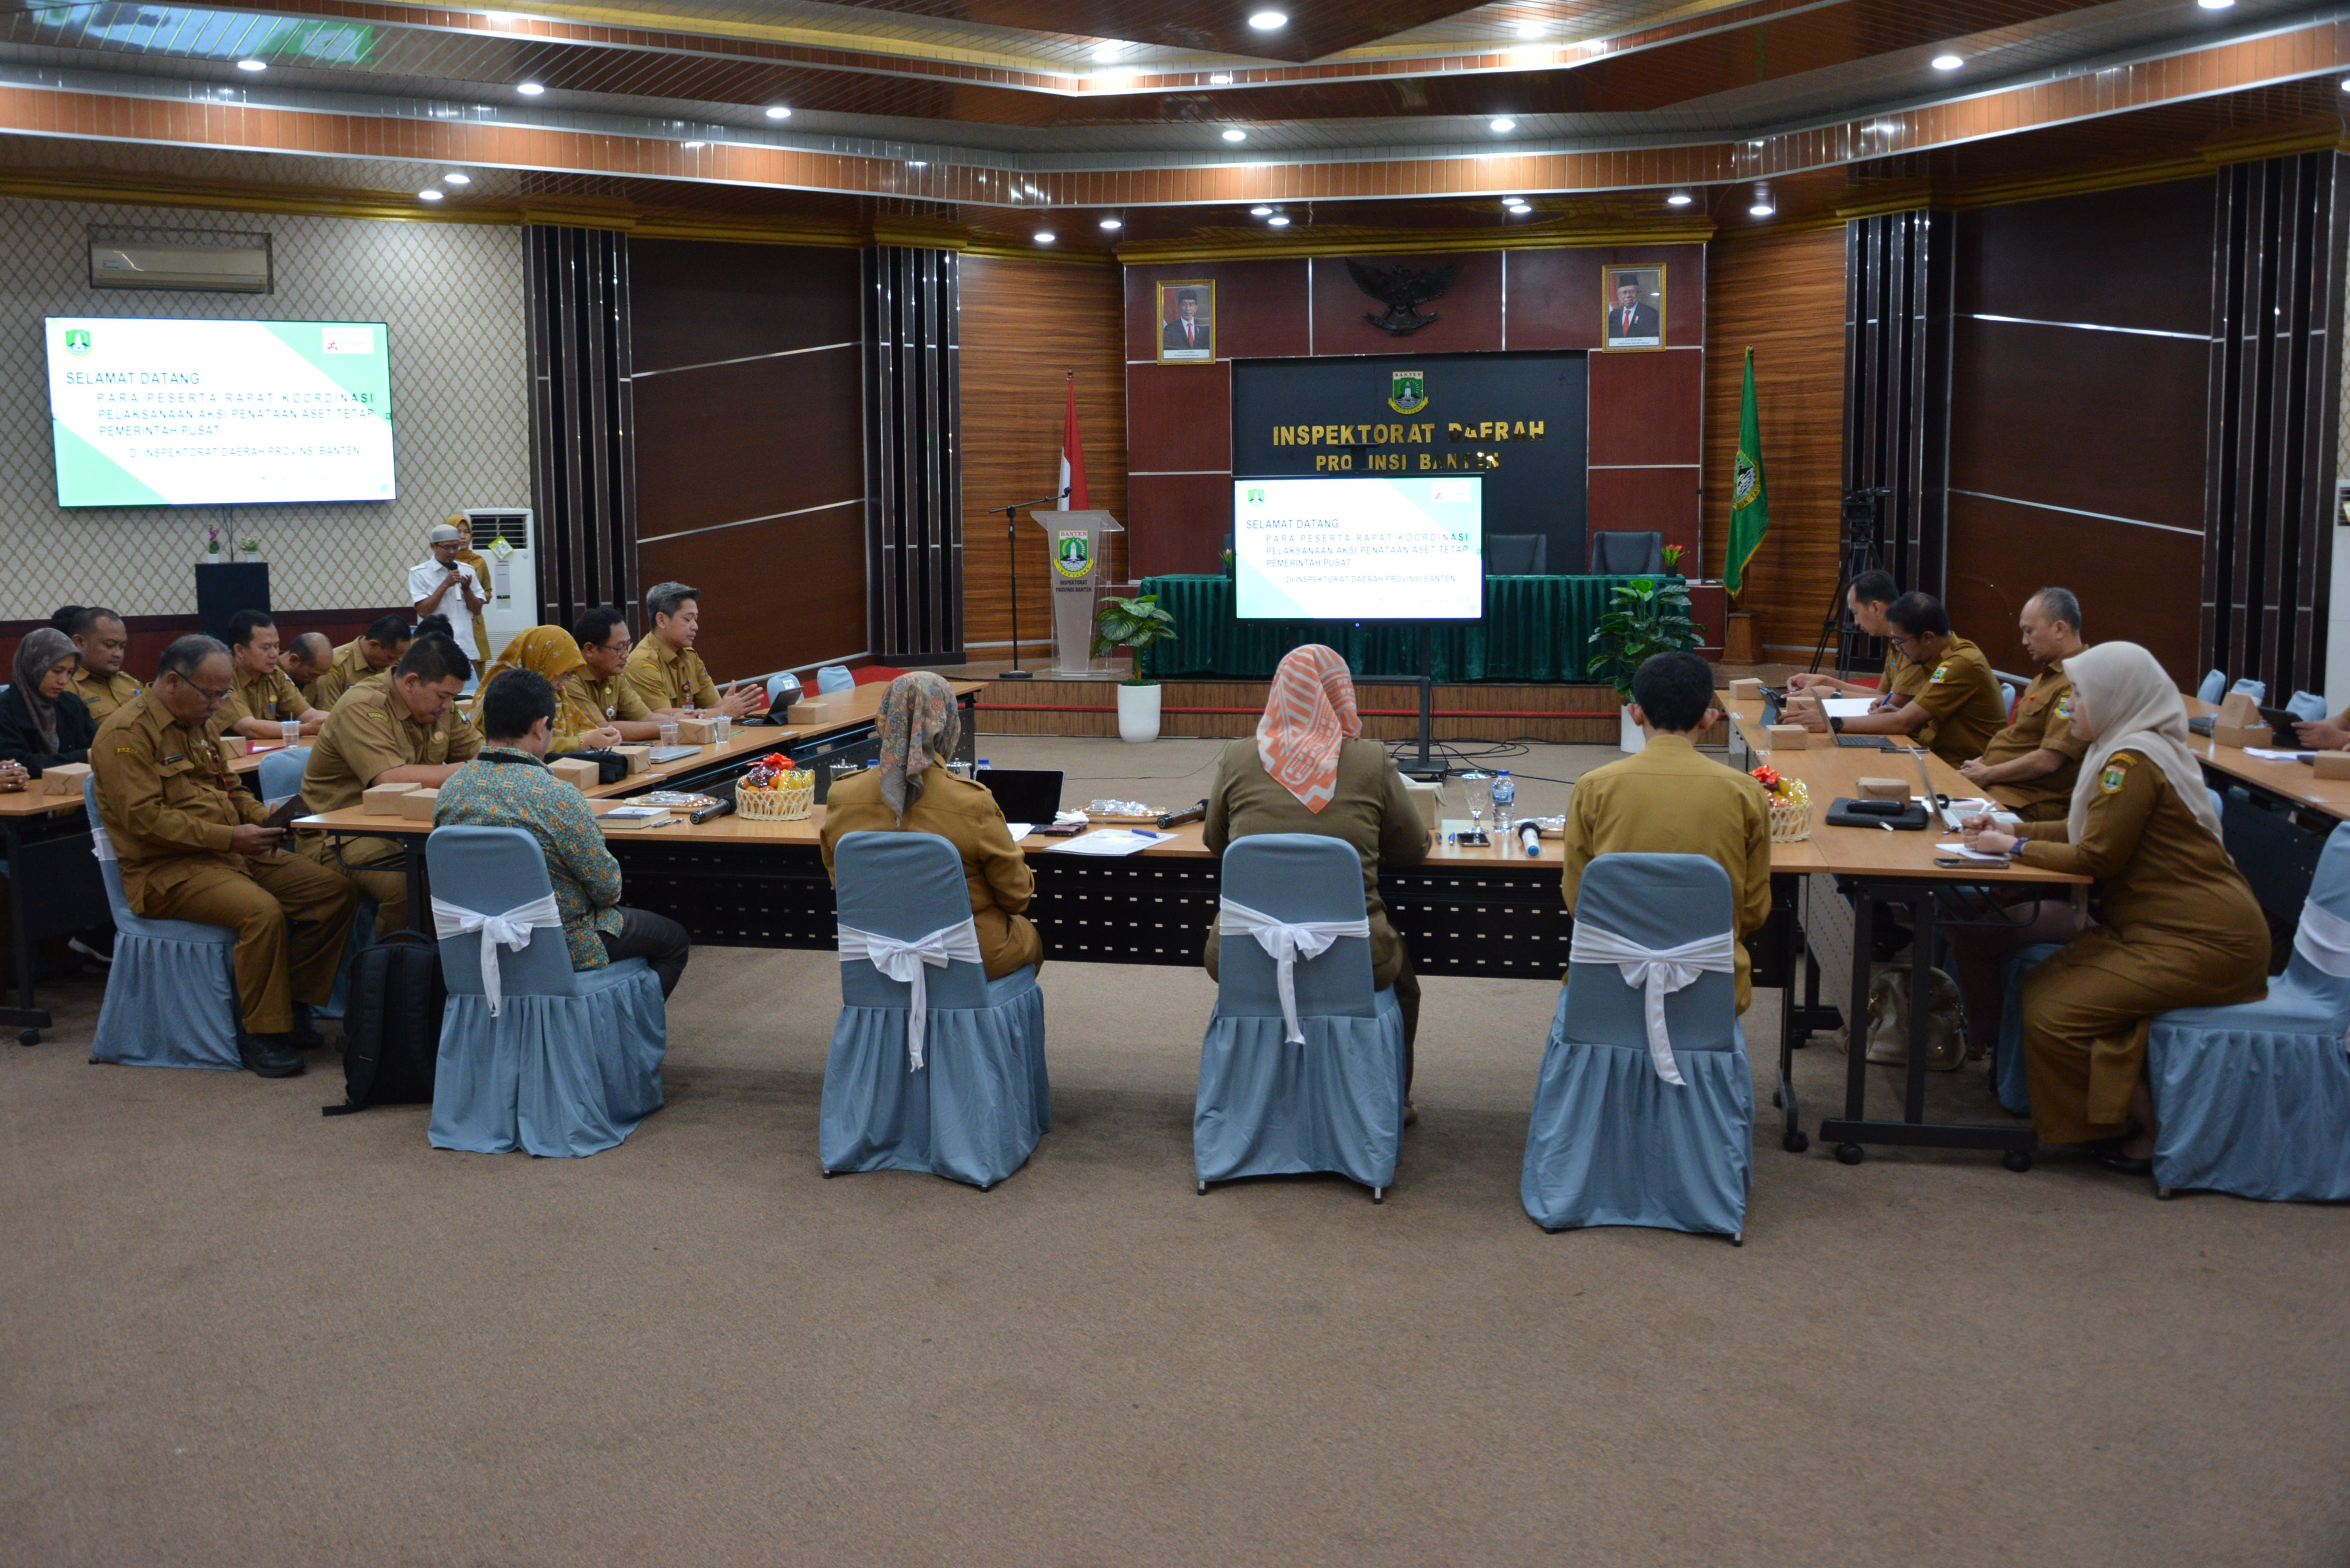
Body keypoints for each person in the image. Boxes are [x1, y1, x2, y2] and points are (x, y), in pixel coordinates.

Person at [1959, 641, 2269, 1172]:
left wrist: (2014, 847)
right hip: (2160, 929)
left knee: (2058, 1011)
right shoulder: (2125, 748)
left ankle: (2147, 1130)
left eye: (2081, 696)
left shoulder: (2130, 761)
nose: (2071, 708)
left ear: (2116, 699)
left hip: (2204, 939)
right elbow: (2085, 830)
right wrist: (2009, 828)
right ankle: (2110, 1120)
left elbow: (2096, 855)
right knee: (2043, 987)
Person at [89, 636, 361, 1077]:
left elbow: (230, 789)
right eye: (210, 694)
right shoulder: (126, 734)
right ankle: (262, 1033)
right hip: (166, 870)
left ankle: (291, 1003)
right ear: (173, 681)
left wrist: (266, 819)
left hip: (229, 852)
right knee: (261, 913)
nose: (217, 705)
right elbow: (145, 821)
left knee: (334, 893)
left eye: (224, 694)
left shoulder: (199, 721)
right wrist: (231, 838)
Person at [1201, 643, 1431, 1107]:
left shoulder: (1238, 756)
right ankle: (1391, 1105)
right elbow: (1411, 849)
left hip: (1246, 954)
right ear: (1341, 694)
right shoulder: (1371, 760)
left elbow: (1218, 843)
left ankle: (1252, 1100)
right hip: (1355, 958)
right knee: (1403, 982)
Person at [434, 668, 691, 996]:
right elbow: (608, 889)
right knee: (674, 940)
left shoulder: (452, 792)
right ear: (540, 727)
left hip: (473, 942)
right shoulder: (557, 796)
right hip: (562, 943)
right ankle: (614, 1026)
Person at [1560, 650, 1772, 1013]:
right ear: (1709, 718)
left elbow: (1579, 899)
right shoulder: (1746, 792)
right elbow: (1753, 910)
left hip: (1607, 985)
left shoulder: (1594, 787)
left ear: (1636, 712)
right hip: (1713, 989)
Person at [820, 671, 1040, 979]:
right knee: (1029, 937)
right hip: (967, 956)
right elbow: (1016, 897)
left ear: (884, 719)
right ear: (946, 722)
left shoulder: (842, 795)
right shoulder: (972, 801)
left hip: (880, 954)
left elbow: (841, 884)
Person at [298, 635, 481, 932]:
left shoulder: (439, 707)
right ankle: (398, 960)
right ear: (411, 682)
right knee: (408, 885)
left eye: (453, 697)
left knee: (470, 868)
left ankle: (446, 957)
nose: (448, 705)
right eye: (443, 696)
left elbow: (480, 751)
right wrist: (470, 770)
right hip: (342, 835)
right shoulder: (363, 705)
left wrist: (483, 763)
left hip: (405, 827)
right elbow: (389, 780)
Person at [1785, 591, 2006, 768]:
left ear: (1928, 638)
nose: (1899, 649)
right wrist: (1897, 711)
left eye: (1901, 642)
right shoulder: (1937, 657)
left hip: (1957, 767)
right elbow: (1900, 710)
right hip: (1932, 753)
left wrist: (1830, 722)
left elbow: (1904, 723)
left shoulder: (1960, 663)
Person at [1959, 587, 2087, 821]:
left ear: (2059, 629)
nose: (2024, 641)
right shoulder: (2046, 677)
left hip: (2024, 801)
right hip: (1999, 787)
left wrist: (1987, 773)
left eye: (2029, 631)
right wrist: (1981, 764)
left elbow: (2048, 760)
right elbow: (2021, 739)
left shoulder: (2076, 682)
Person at [623, 581, 763, 720]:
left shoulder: (690, 655)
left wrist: (733, 705)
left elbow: (712, 705)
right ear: (661, 620)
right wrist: (722, 712)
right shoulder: (642, 663)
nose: (695, 627)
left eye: (695, 619)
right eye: (687, 619)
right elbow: (662, 717)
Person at [471, 627, 623, 754]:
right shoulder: (503, 696)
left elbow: (581, 729)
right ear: (538, 663)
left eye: (570, 675)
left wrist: (605, 736)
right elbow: (513, 749)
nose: (564, 683)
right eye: (561, 674)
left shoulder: (557, 694)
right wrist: (581, 742)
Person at [1783, 570, 1900, 697]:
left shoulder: (1910, 643)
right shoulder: (1894, 640)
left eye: (1856, 613)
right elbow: (1883, 695)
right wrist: (1825, 681)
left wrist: (1835, 694)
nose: (1856, 622)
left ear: (1876, 608)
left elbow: (1899, 704)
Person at [213, 610, 326, 741]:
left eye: (277, 646)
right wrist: (306, 729)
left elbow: (309, 714)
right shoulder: (223, 676)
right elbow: (249, 728)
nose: (274, 654)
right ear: (240, 650)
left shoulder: (275, 675)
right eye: (266, 648)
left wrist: (340, 718)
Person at [0, 627, 97, 776]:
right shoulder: (6, 709)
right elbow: (16, 764)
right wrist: (82, 758)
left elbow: (96, 748)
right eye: (57, 671)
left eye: (70, 672)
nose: (63, 680)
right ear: (33, 666)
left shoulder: (72, 704)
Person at [568, 606, 663, 742]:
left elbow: (646, 717)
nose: (626, 655)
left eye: (627, 646)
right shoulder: (569, 678)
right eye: (619, 648)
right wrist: (672, 725)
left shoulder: (614, 674)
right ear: (590, 649)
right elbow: (601, 729)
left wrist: (685, 721)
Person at [408, 522, 487, 662]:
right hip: (433, 646)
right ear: (433, 546)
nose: (452, 552)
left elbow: (477, 610)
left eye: (456, 547)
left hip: (464, 645)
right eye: (447, 547)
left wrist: (467, 590)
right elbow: (423, 611)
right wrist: (445, 585)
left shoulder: (468, 570)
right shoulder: (419, 573)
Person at [310, 614, 414, 712]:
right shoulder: (335, 666)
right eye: (391, 658)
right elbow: (330, 716)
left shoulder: (396, 658)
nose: (393, 665)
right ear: (373, 645)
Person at [67, 606, 142, 724]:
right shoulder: (66, 688)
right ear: (79, 642)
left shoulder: (131, 683)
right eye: (110, 645)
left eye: (122, 646)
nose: (118, 654)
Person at [280, 632, 335, 697]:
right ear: (294, 660)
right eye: (312, 675)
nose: (315, 681)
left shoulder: (308, 685)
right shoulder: (272, 681)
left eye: (319, 676)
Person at [1606, 275, 1660, 340]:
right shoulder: (1614, 314)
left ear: (1638, 293)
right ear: (1619, 295)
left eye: (1632, 292)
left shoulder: (1650, 313)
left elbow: (1653, 339)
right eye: (1624, 292)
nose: (1628, 296)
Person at [1163, 289, 1208, 354]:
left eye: (1191, 304)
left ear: (1196, 308)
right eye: (1184, 304)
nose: (1188, 309)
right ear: (1179, 307)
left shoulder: (1205, 329)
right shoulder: (1170, 329)